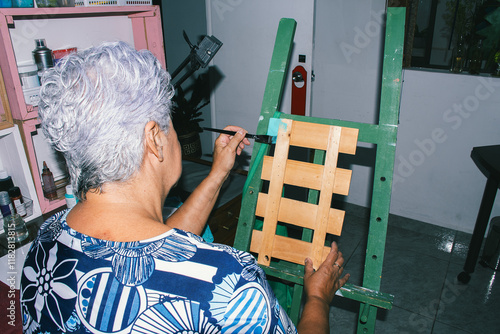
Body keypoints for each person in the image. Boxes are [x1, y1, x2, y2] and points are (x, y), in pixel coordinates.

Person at [20, 41, 349, 334]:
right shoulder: (230, 285)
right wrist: (318, 298)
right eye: (171, 123)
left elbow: (157, 253)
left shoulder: (45, 243)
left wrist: (218, 173)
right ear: (153, 139)